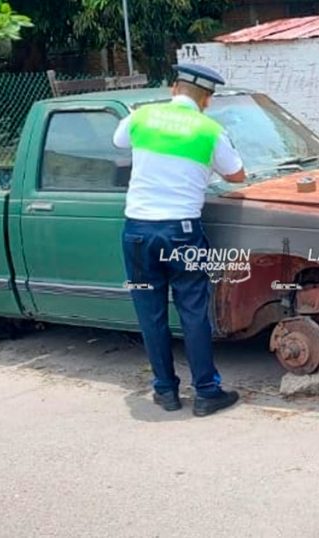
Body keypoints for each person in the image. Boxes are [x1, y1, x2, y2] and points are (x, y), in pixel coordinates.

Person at [112, 64, 247, 416]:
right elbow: (236, 175)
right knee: (193, 311)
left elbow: (118, 141)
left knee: (150, 312)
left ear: (174, 89)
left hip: (138, 231)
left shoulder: (142, 116)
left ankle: (165, 392)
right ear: (207, 100)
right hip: (182, 233)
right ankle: (206, 393)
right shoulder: (210, 129)